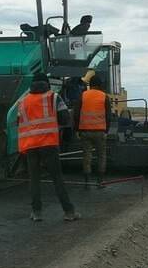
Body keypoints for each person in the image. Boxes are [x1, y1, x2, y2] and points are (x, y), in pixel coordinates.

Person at [17, 72, 79, 222]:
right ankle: (69, 212)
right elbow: (65, 118)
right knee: (57, 178)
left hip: (30, 146)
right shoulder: (53, 97)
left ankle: (36, 213)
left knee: (34, 179)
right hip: (49, 144)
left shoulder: (23, 101)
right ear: (47, 83)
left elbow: (18, 122)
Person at [74, 75, 111, 188]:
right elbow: (108, 116)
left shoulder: (83, 95)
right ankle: (100, 182)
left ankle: (87, 183)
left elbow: (76, 114)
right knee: (101, 156)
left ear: (90, 84)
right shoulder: (104, 97)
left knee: (86, 156)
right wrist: (106, 130)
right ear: (100, 85)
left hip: (85, 131)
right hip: (100, 132)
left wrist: (77, 129)